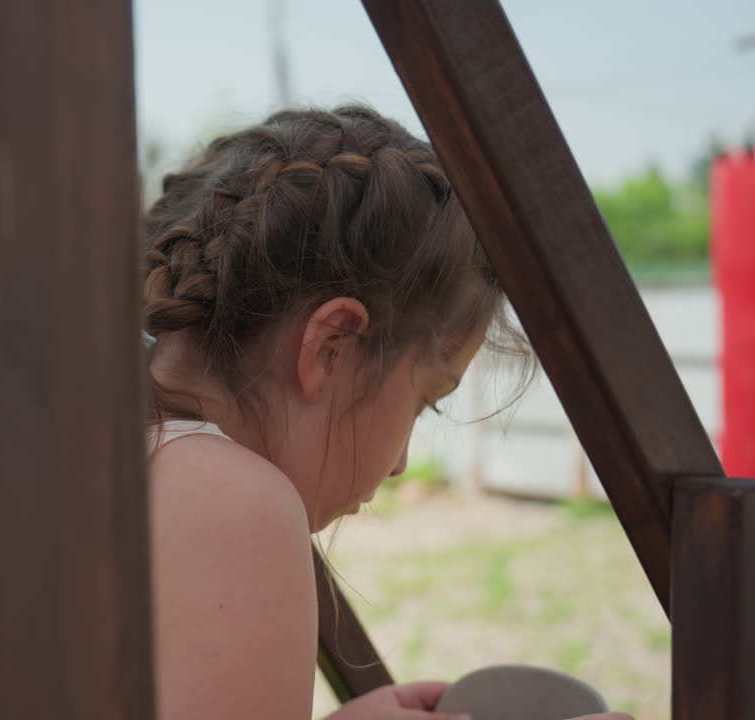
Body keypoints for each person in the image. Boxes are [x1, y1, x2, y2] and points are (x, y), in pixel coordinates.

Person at [143, 106, 633, 720]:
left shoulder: (111, 446)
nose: (400, 464)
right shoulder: (237, 502)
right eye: (426, 401)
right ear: (332, 346)